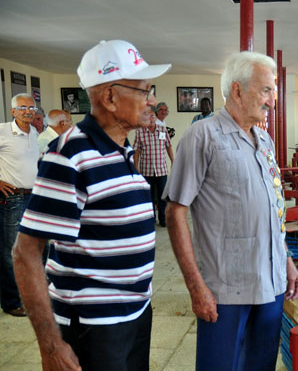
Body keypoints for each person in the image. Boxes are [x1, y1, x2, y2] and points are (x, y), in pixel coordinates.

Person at [12, 39, 171, 371]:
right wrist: (52, 345)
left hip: (134, 314)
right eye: (145, 91)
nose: (152, 101)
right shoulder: (69, 155)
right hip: (93, 326)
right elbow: (26, 252)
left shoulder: (122, 149)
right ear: (110, 97)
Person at [163, 51, 298, 371]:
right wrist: (195, 286)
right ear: (237, 90)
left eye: (273, 92)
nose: (272, 101)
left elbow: (273, 211)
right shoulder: (203, 137)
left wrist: (288, 262)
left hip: (270, 285)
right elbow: (175, 212)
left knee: (260, 365)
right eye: (266, 90)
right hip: (226, 290)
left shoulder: (264, 140)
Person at [0, 93, 39, 318]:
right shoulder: (4, 130)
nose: (28, 111)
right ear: (13, 111)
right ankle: (11, 301)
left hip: (33, 198)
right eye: (23, 107)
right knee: (10, 253)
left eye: (31, 108)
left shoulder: (34, 132)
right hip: (12, 199)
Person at [133, 112, 174, 227]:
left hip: (161, 169)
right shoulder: (140, 132)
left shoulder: (162, 130)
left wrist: (173, 160)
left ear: (156, 118)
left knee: (162, 196)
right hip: (147, 170)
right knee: (149, 197)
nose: (151, 120)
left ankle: (163, 219)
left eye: (152, 117)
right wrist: (136, 166)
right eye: (148, 118)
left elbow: (168, 146)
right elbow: (136, 151)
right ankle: (151, 219)